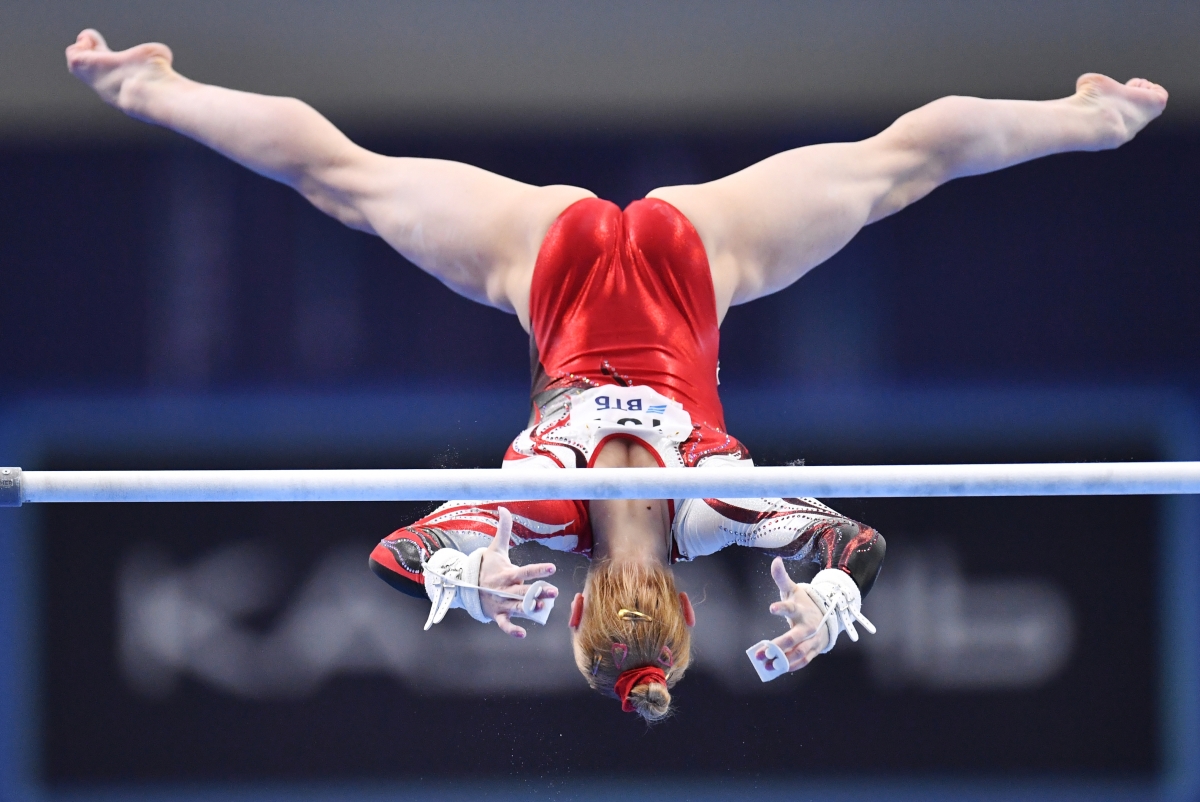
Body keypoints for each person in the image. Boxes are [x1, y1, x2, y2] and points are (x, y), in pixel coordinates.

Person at [67, 29, 1168, 721]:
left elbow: (857, 545)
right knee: (344, 179)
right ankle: (155, 89)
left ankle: (1093, 119)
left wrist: (834, 601)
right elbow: (393, 554)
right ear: (582, 607)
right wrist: (459, 572)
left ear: (687, 611)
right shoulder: (533, 517)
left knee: (896, 167)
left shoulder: (719, 509)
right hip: (553, 258)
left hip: (695, 257)